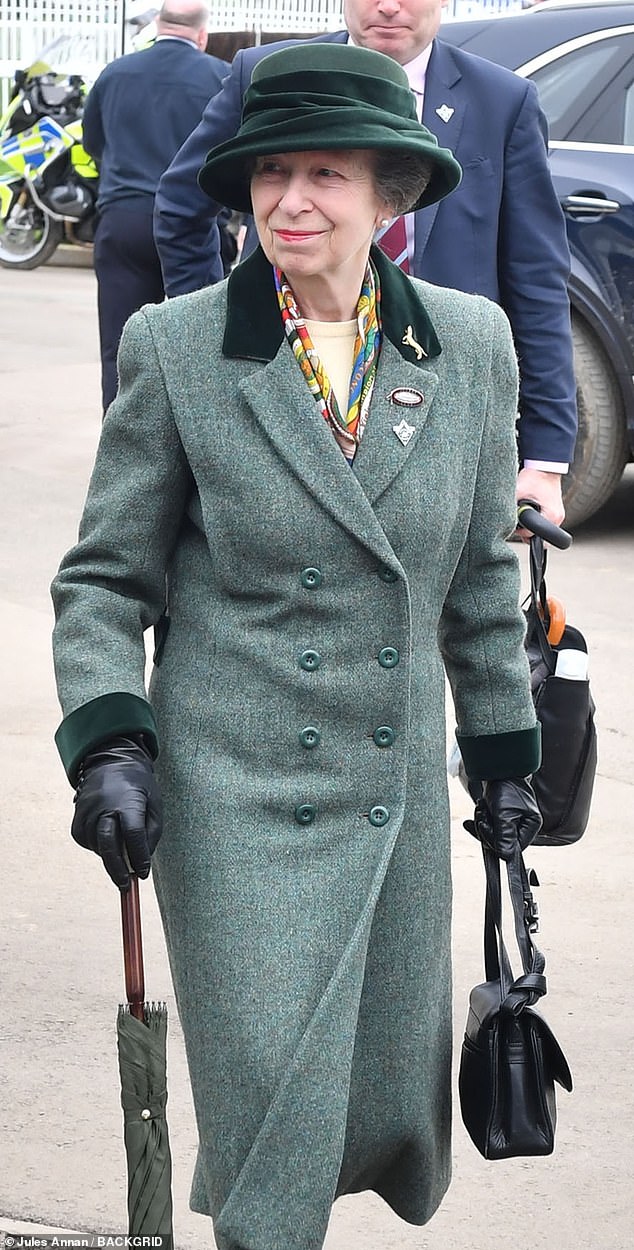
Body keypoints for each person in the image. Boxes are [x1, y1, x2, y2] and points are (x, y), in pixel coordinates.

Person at [52, 43, 542, 1250]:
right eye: (270, 173)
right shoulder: (177, 347)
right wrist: (111, 737)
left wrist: (503, 755)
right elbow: (108, 577)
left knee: (360, 1111)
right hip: (232, 797)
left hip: (387, 797)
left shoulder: (468, 347)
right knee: (270, 1108)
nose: (290, 202)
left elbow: (479, 575)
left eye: (326, 173)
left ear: (393, 197)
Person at [153, 0, 578, 528]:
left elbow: (536, 276)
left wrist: (544, 459)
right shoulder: (270, 76)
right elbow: (181, 207)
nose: (388, 6)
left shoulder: (502, 100)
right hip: (281, 378)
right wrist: (214, 332)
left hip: (436, 393)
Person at [82, 0, 228, 411]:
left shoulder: (114, 73)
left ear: (158, 25)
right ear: (202, 35)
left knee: (120, 346)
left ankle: (122, 450)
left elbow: (93, 141)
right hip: (194, 225)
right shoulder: (219, 77)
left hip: (123, 220)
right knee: (197, 347)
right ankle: (193, 443)